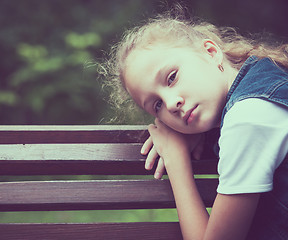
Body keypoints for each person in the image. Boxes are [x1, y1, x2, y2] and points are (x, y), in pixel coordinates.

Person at [101, 6, 288, 240]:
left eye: (172, 77)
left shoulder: (247, 119)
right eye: (157, 105)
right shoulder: (264, 80)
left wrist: (175, 159)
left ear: (210, 52)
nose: (171, 104)